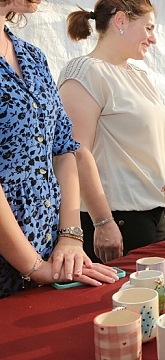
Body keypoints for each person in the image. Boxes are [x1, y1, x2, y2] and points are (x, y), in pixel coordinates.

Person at [0, 0, 118, 297]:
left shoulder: (31, 56)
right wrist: (32, 265)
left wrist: (70, 237)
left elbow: (63, 147)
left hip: (50, 254)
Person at [58, 0, 165, 264]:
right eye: (148, 28)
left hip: (153, 212)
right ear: (120, 21)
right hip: (118, 219)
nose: (153, 39)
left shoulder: (137, 75)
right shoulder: (86, 71)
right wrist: (103, 221)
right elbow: (76, 151)